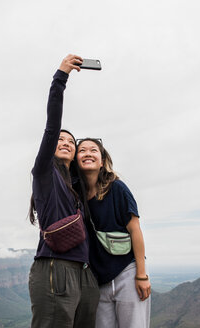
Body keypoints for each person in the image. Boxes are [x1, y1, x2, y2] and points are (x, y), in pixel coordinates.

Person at [27, 55, 99, 328]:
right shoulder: (45, 171)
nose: (66, 142)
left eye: (71, 141)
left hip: (84, 272)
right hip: (56, 268)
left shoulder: (75, 186)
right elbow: (51, 126)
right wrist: (61, 78)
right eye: (61, 140)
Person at [76, 138, 151, 328]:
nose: (87, 154)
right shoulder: (76, 196)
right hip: (98, 280)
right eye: (82, 150)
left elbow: (135, 230)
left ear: (102, 161)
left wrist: (141, 275)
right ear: (76, 160)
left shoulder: (118, 188)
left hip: (127, 272)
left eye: (93, 150)